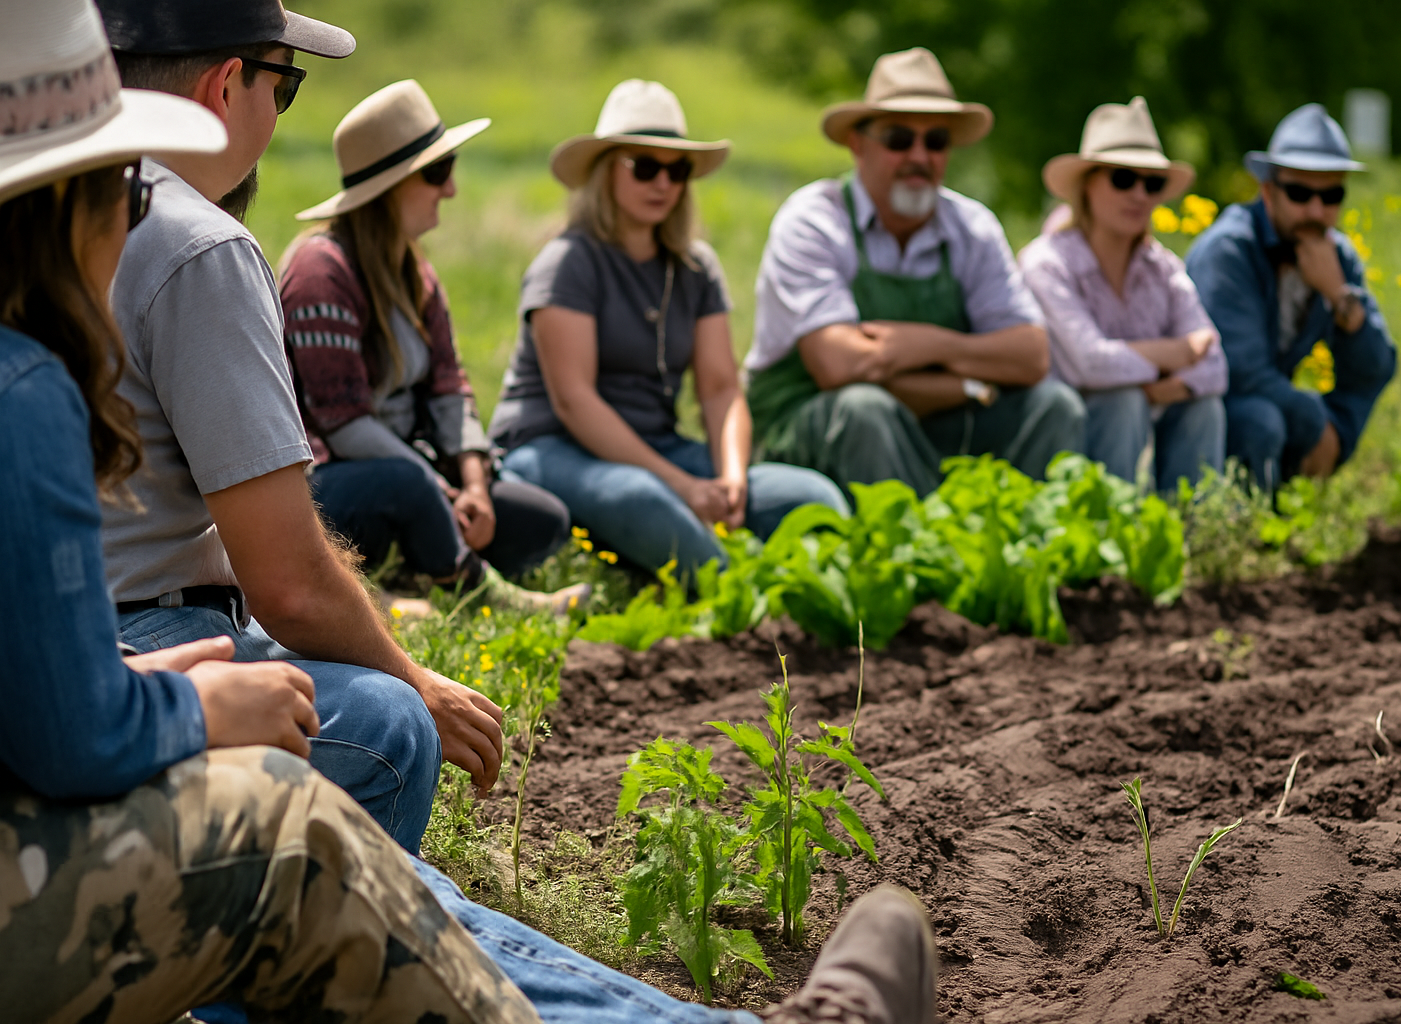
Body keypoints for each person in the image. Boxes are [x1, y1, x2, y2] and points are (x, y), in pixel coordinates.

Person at [0, 8, 939, 1023]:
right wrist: (190, 705)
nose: (140, 204)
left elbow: (453, 391)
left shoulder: (434, 278)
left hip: (132, 666)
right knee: (309, 841)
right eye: (126, 179)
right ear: (69, 197)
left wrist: (138, 676)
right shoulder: (44, 381)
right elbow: (73, 732)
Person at [97, 0, 502, 856]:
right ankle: (307, 969)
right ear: (224, 84)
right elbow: (289, 582)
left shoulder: (44, 203)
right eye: (285, 87)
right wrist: (416, 679)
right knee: (389, 727)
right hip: (140, 631)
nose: (280, 118)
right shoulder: (198, 245)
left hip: (50, 630)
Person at [489, 79, 848, 577]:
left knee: (815, 498)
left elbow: (721, 388)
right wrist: (683, 486)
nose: (664, 183)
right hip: (549, 448)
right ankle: (746, 603)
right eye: (645, 166)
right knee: (645, 499)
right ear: (604, 171)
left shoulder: (696, 267)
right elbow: (575, 401)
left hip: (656, 446)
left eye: (677, 169)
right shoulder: (568, 262)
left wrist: (731, 478)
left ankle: (779, 583)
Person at [279, 80, 585, 614]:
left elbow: (451, 386)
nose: (451, 190)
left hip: (413, 473)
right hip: (331, 487)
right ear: (390, 187)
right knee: (406, 484)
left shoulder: (416, 273)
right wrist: (436, 489)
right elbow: (344, 423)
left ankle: (410, 579)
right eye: (438, 173)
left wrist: (473, 483)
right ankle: (484, 595)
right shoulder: (319, 271)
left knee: (542, 519)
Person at [745, 47, 1084, 497]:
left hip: (935, 429)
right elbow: (838, 365)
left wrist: (927, 345)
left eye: (936, 140)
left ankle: (1033, 557)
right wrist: (969, 382)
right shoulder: (814, 221)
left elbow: (1030, 355)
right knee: (865, 409)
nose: (919, 156)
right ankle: (898, 562)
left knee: (1054, 406)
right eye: (899, 139)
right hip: (810, 424)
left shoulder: (972, 226)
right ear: (857, 144)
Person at [1185, 103, 1397, 490]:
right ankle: (1239, 531)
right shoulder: (1229, 251)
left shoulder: (1335, 256)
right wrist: (1317, 424)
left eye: (1331, 195)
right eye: (1299, 193)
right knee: (1260, 418)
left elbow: (1376, 368)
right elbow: (1241, 374)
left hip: (1269, 408)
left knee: (1280, 413)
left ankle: (1281, 515)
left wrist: (1338, 296)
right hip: (1198, 414)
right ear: (1268, 192)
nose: (1316, 210)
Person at [1020, 97, 1226, 492]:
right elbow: (1089, 364)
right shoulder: (1046, 264)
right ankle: (1108, 534)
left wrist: (1167, 387)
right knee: (1121, 402)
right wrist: (1174, 353)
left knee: (1204, 406)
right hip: (1057, 451)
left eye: (1152, 184)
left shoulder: (1163, 268)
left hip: (1133, 426)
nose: (1139, 195)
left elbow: (1216, 363)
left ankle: (1195, 538)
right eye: (1122, 178)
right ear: (1087, 184)